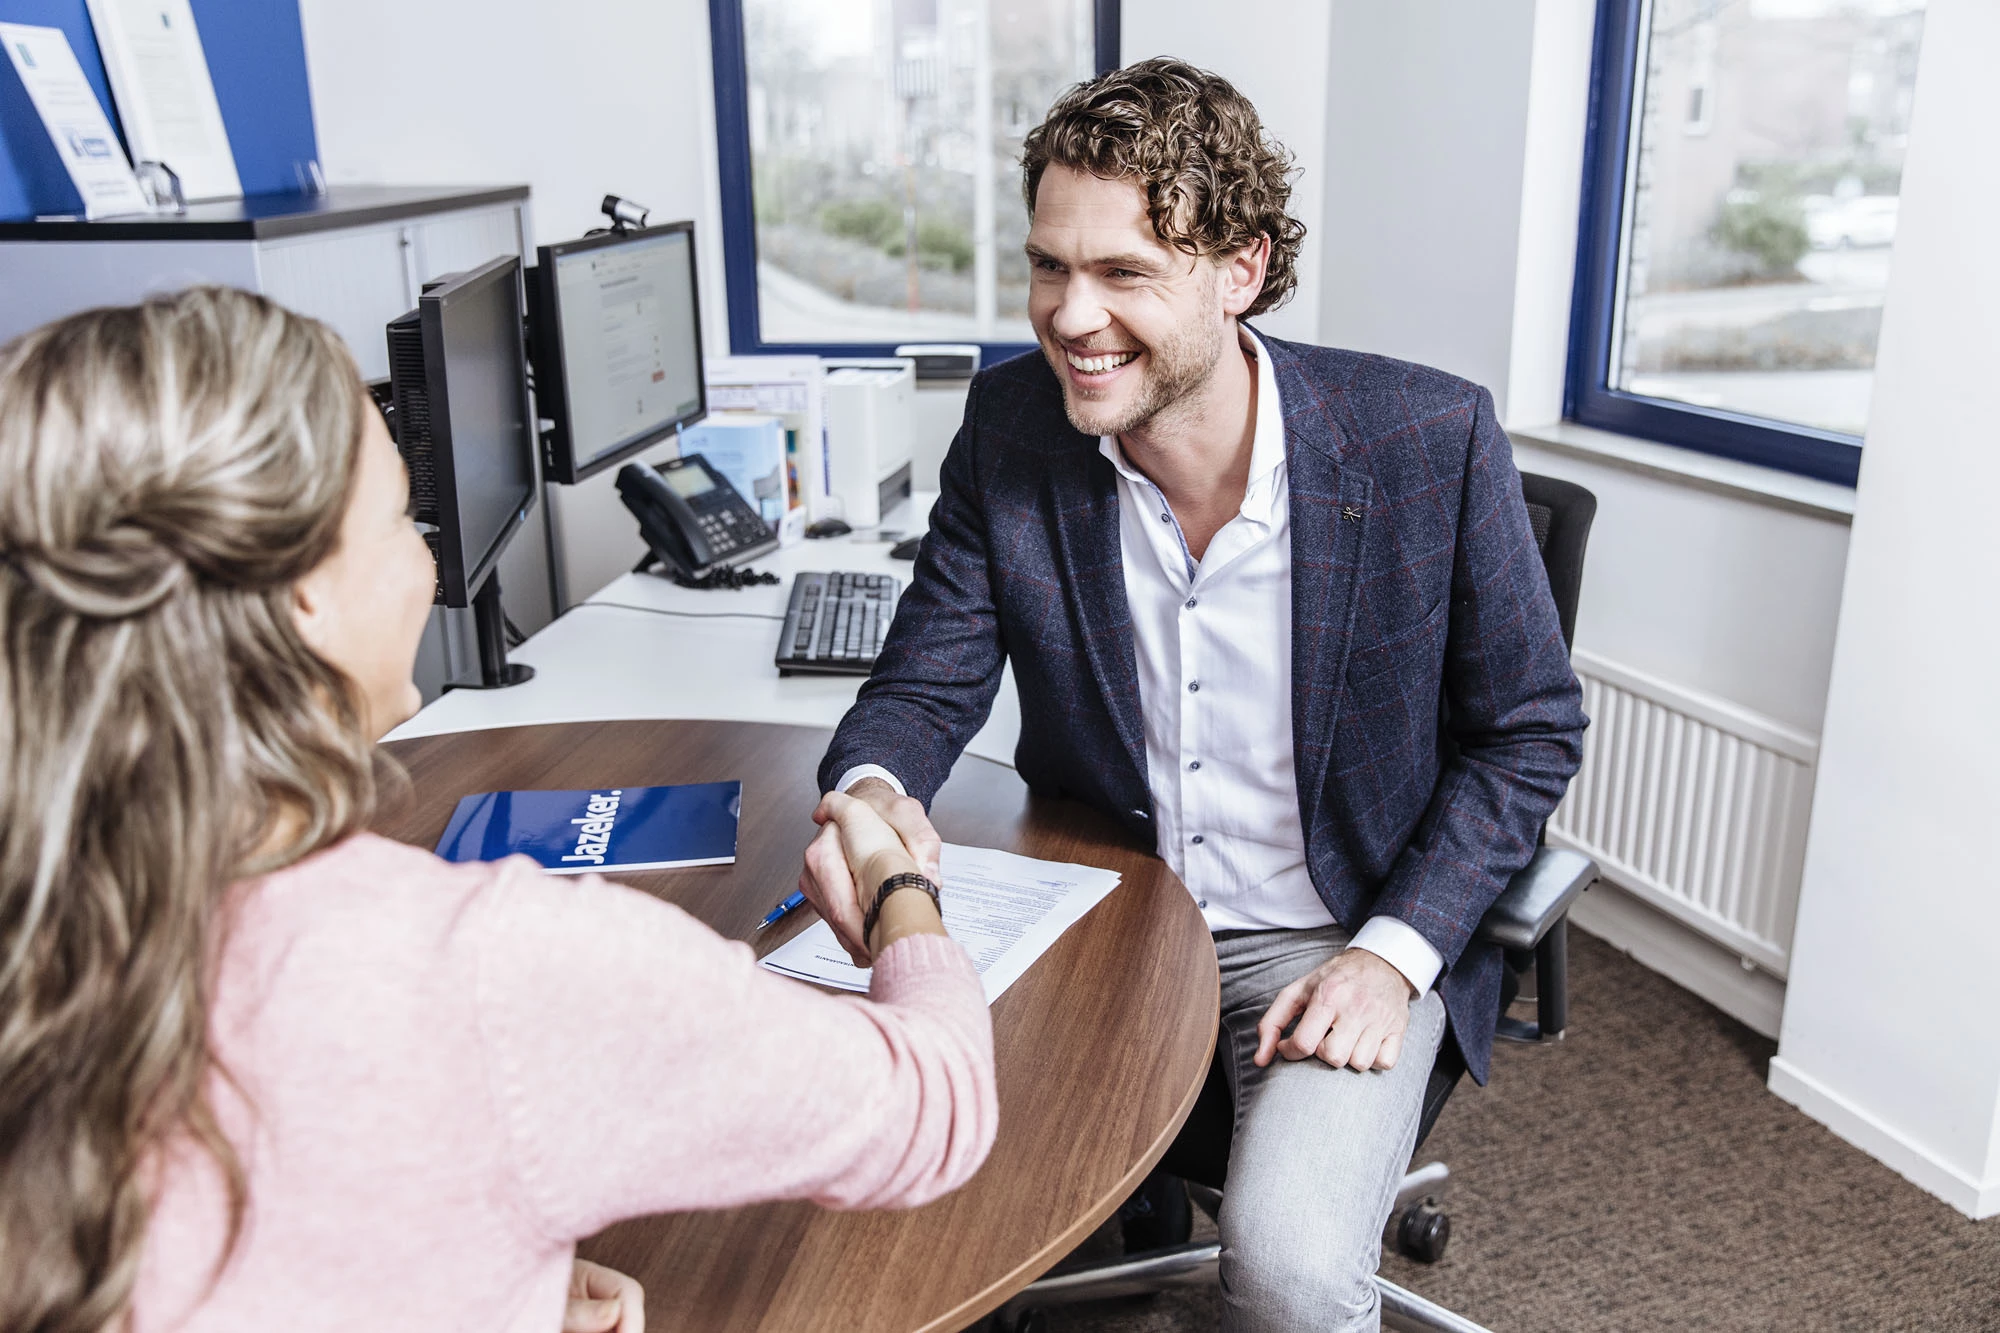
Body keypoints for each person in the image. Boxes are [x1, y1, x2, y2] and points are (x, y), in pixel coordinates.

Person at [0, 287, 995, 1333]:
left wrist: (473, 1278)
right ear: (302, 591)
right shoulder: (487, 967)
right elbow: (935, 1103)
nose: (426, 559)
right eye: (398, 518)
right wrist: (898, 887)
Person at [797, 58, 1587, 1332]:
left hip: (1330, 925)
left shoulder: (1421, 443)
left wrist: (1392, 958)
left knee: (1280, 1268)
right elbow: (923, 678)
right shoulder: (1011, 426)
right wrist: (874, 793)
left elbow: (1528, 730)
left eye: (1122, 274)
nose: (1068, 314)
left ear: (1239, 271)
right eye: (1050, 266)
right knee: (878, 1157)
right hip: (1105, 911)